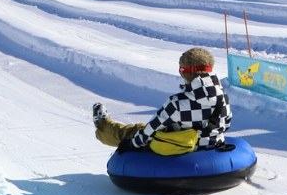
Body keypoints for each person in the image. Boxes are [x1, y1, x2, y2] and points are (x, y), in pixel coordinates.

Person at [92, 47, 231, 153]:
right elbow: (226, 124)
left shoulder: (178, 103)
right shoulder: (222, 96)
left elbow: (150, 130)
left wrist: (130, 144)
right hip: (212, 145)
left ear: (184, 72)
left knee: (136, 131)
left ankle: (103, 128)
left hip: (181, 147)